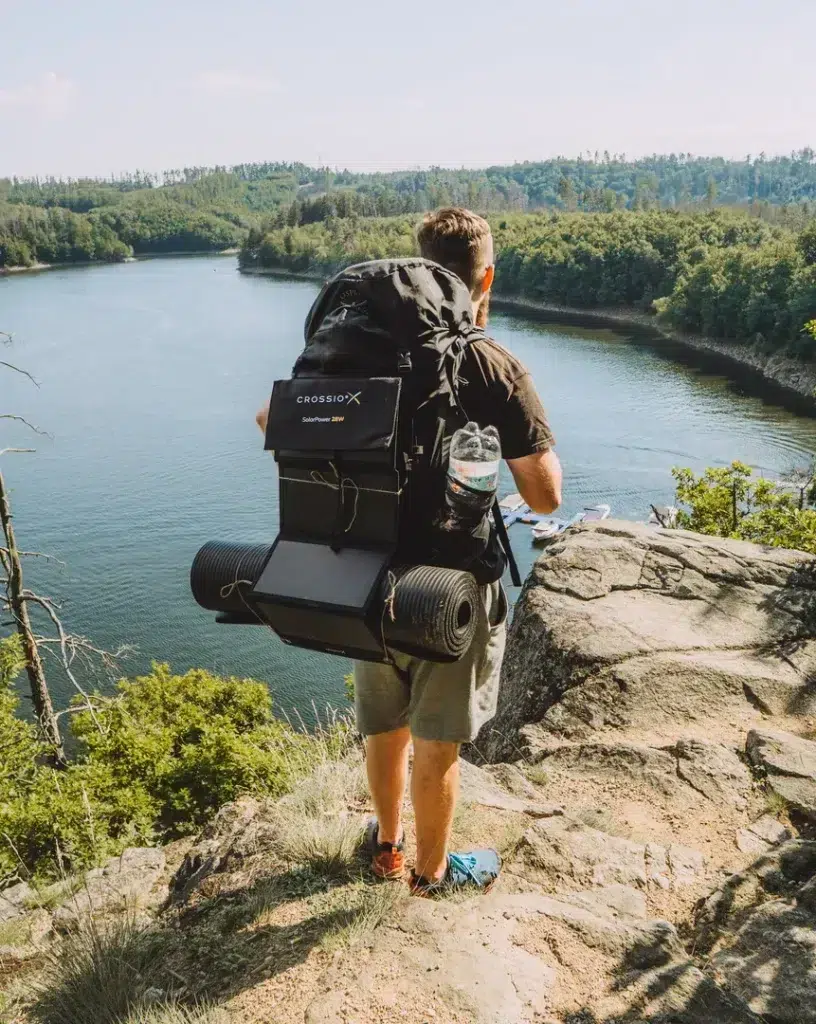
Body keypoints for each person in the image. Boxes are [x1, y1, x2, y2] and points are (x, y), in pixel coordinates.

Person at [257, 208, 561, 896]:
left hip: (361, 571)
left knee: (382, 723)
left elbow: (269, 419)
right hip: (447, 588)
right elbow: (543, 498)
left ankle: (387, 846)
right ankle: (431, 875)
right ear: (487, 276)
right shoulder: (492, 363)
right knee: (438, 742)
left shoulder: (360, 347)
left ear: (417, 265)